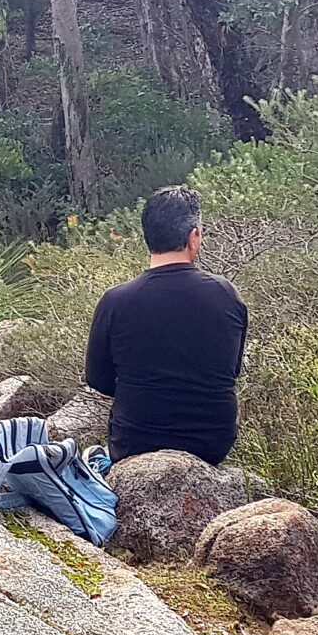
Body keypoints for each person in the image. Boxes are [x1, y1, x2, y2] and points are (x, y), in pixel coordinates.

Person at [82, 184, 248, 465]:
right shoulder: (226, 295)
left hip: (135, 441)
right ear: (193, 237)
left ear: (147, 237)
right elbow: (231, 371)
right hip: (212, 443)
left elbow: (98, 379)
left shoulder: (115, 301)